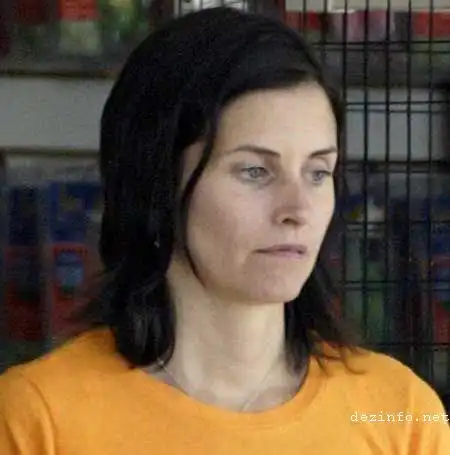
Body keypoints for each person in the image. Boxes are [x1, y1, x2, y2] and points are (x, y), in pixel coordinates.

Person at [0, 6, 449, 455]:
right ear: (157, 181)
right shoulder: (38, 420)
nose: (297, 209)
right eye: (255, 171)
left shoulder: (401, 414)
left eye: (317, 172)